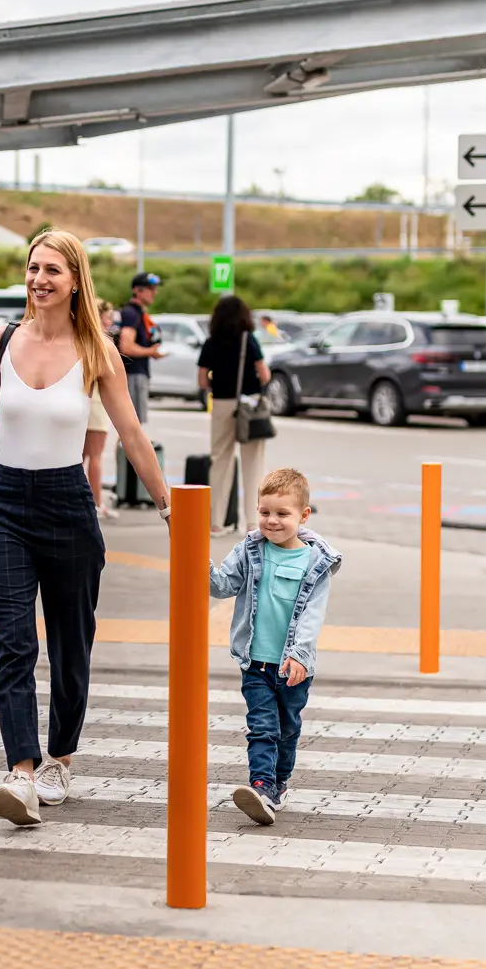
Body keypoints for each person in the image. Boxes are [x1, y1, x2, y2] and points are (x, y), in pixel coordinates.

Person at [0, 228, 171, 827]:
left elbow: (133, 435)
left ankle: (59, 758)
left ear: (75, 282)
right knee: (14, 643)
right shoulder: (0, 341)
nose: (39, 279)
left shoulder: (98, 353)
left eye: (52, 271)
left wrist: (172, 506)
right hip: (7, 507)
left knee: (72, 645)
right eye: (33, 267)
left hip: (69, 505)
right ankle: (20, 772)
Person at [209, 468, 341, 825]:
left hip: (293, 667)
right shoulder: (250, 550)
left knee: (287, 729)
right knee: (262, 726)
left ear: (303, 515)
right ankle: (261, 786)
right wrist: (195, 557)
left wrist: (300, 653)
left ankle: (279, 783)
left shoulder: (316, 562)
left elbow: (312, 614)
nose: (272, 521)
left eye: (283, 514)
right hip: (255, 662)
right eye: (265, 512)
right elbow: (222, 586)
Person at [198, 294, 271, 536]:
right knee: (252, 463)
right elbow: (264, 375)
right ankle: (252, 522)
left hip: (221, 404)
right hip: (248, 406)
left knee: (220, 461)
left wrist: (219, 387)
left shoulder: (211, 342)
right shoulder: (248, 340)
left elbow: (202, 379)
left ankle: (216, 523)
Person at [83, 299, 118, 519]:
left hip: (86, 403)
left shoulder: (83, 339)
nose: (111, 322)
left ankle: (91, 502)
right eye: (109, 317)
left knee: (80, 456)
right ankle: (95, 503)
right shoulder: (99, 342)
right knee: (95, 456)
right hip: (95, 403)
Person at [117, 271, 165, 423]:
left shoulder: (139, 313)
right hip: (133, 373)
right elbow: (126, 346)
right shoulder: (131, 313)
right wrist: (150, 351)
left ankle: (126, 447)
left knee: (133, 423)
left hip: (138, 372)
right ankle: (125, 448)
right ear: (137, 290)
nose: (154, 292)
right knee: (132, 422)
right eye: (150, 288)